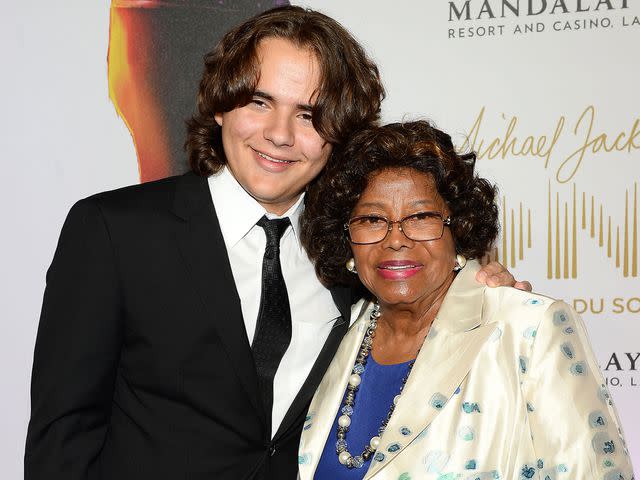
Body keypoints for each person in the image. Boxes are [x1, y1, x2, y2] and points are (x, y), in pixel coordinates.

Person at [25, 7, 524, 480]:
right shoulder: (115, 231)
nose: (279, 134)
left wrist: (479, 293)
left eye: (309, 115)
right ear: (220, 106)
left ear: (339, 134)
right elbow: (63, 433)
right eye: (259, 102)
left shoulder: (356, 252)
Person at [298, 121, 634, 479]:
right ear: (347, 237)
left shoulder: (528, 329)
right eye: (371, 219)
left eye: (421, 217)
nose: (395, 239)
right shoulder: (332, 333)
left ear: (457, 228)